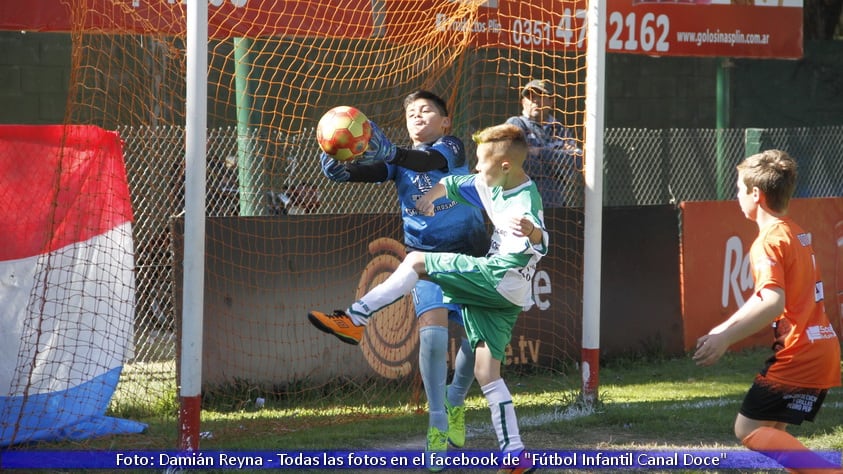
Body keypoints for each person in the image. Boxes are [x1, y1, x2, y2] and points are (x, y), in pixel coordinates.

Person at [310, 123, 546, 474]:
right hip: (509, 297)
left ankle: (356, 319)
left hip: (498, 277)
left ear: (507, 166)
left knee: (416, 260)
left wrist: (531, 230)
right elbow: (452, 182)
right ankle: (515, 455)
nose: (477, 167)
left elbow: (541, 239)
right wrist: (430, 196)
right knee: (487, 373)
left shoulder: (525, 199)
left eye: (481, 161)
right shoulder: (486, 182)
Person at [315, 90, 488, 470]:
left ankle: (456, 397)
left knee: (477, 342)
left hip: (471, 255)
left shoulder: (451, 147)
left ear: (445, 122)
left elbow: (425, 160)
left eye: (426, 110)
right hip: (425, 259)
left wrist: (391, 153)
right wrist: (338, 166)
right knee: (433, 335)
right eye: (411, 112)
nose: (417, 116)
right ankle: (437, 423)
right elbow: (367, 170)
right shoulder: (396, 163)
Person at [693, 150, 842, 474]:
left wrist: (726, 339)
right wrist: (724, 328)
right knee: (776, 434)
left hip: (799, 353)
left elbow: (771, 302)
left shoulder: (768, 241)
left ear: (755, 195)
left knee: (747, 430)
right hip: (820, 346)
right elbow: (766, 298)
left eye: (738, 189)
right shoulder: (794, 231)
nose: (737, 196)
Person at [506, 79, 583, 207]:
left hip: (555, 205)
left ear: (551, 101)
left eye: (541, 96)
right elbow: (521, 164)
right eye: (531, 97)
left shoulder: (559, 129)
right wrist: (556, 160)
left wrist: (539, 152)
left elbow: (576, 161)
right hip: (522, 205)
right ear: (523, 102)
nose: (535, 101)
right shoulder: (515, 124)